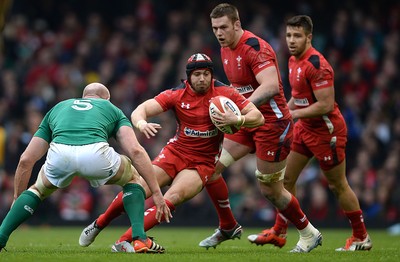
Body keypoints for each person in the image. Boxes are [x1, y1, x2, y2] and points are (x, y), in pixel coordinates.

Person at [78, 53, 265, 252]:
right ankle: (99, 224)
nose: (202, 78)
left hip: (202, 162)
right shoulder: (176, 94)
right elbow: (141, 109)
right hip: (175, 152)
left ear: (211, 75)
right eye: (197, 75)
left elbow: (258, 117)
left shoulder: (225, 93)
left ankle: (124, 240)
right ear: (189, 77)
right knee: (139, 188)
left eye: (206, 74)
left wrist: (237, 120)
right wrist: (141, 123)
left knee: (173, 197)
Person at [199, 3, 322, 253]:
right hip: (246, 123)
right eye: (214, 28)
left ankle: (309, 233)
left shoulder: (256, 48)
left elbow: (270, 87)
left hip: (272, 125)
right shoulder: (225, 49)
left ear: (237, 24)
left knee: (270, 190)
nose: (219, 33)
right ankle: (227, 226)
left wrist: (240, 109)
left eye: (223, 27)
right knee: (208, 169)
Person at [0, 82, 171, 253]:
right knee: (133, 177)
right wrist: (156, 192)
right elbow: (136, 150)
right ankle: (140, 238)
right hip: (95, 154)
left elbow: (26, 160)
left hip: (60, 154)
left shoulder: (58, 108)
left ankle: (1, 236)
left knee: (37, 189)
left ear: (83, 97)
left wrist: (17, 199)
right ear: (107, 99)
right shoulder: (111, 109)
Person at [259, 15, 372, 252]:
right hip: (305, 129)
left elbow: (326, 105)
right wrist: (285, 110)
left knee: (337, 184)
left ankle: (361, 237)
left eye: (297, 36)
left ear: (309, 37)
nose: (291, 40)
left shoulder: (317, 65)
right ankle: (279, 231)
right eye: (289, 35)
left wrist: (293, 115)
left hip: (326, 131)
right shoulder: (292, 61)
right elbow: (298, 96)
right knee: (286, 179)